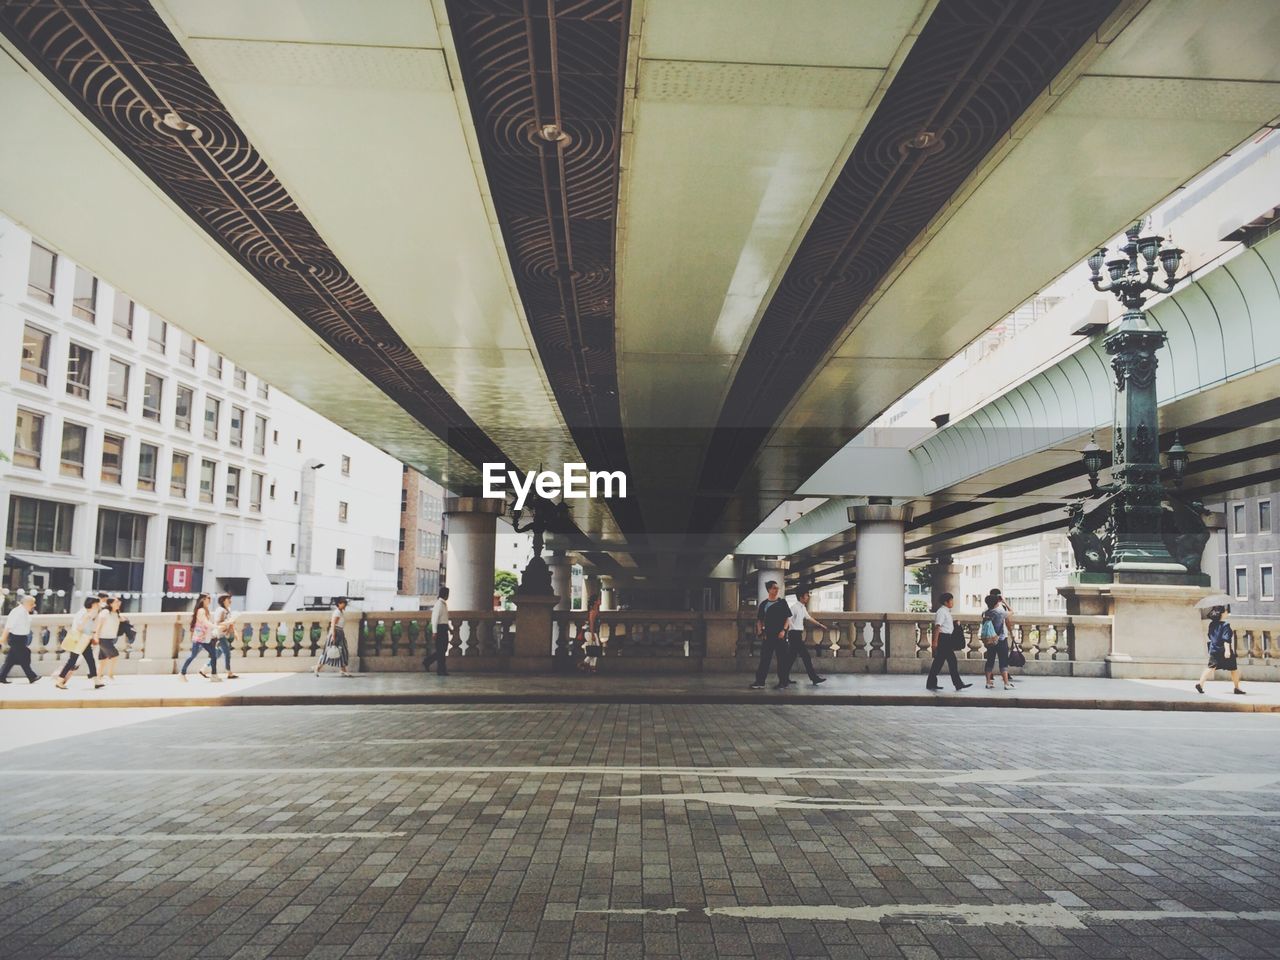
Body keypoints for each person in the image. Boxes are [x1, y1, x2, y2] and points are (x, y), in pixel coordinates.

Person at [750, 581, 792, 690]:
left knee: (782, 660)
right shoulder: (764, 604)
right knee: (764, 659)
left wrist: (783, 630)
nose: (776, 590)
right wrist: (760, 632)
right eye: (774, 588)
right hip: (768, 635)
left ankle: (783, 682)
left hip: (780, 635)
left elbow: (788, 618)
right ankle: (760, 681)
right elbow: (759, 620)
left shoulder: (782, 603)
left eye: (777, 588)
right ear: (769, 590)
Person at [926, 592, 971, 692]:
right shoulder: (942, 612)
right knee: (951, 661)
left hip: (946, 639)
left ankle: (931, 683)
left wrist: (954, 623)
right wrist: (935, 642)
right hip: (943, 639)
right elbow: (938, 627)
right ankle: (958, 684)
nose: (952, 602)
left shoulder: (946, 611)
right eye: (951, 600)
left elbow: (945, 625)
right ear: (946, 602)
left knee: (938, 663)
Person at [56, 596, 103, 690]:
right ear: (92, 604)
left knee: (90, 660)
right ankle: (60, 680)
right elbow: (79, 627)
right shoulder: (85, 614)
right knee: (72, 661)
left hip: (83, 640)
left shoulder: (86, 612)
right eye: (97, 603)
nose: (98, 605)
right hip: (80, 640)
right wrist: (90, 632)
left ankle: (96, 681)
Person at [1197, 606, 1245, 695]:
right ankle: (1237, 688)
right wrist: (1227, 651)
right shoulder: (1225, 625)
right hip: (1223, 650)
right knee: (1234, 669)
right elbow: (1226, 639)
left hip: (1214, 649)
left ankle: (1200, 684)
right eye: (1226, 611)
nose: (1227, 612)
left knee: (1210, 667)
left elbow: (1209, 636)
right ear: (1221, 614)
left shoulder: (1212, 624)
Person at [784, 588, 827, 686]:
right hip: (794, 634)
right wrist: (785, 630)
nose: (808, 597)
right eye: (806, 595)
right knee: (806, 657)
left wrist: (820, 625)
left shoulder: (802, 607)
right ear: (801, 597)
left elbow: (808, 617)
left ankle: (784, 678)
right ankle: (814, 678)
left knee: (791, 657)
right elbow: (788, 619)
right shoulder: (794, 607)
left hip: (797, 634)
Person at [0, 594, 41, 684]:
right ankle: (32, 676)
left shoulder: (24, 612)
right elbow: (8, 626)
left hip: (21, 638)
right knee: (23, 658)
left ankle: (1, 676)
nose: (34, 605)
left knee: (10, 660)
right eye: (32, 603)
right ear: (26, 603)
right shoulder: (17, 612)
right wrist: (3, 638)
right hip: (16, 638)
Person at [179, 594, 220, 682]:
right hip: (199, 638)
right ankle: (182, 673)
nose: (210, 600)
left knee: (213, 655)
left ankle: (214, 675)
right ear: (203, 600)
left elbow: (207, 624)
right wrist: (216, 627)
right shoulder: (201, 610)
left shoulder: (206, 610)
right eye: (208, 598)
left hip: (205, 638)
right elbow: (205, 622)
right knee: (193, 655)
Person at [981, 594, 1013, 689]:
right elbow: (1012, 611)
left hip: (990, 640)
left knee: (990, 660)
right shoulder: (1000, 612)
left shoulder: (985, 613)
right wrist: (1004, 602)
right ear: (997, 603)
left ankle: (988, 682)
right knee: (1003, 661)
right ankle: (1006, 684)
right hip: (1001, 639)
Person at [315, 597, 352, 677]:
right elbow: (333, 624)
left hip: (340, 633)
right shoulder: (337, 612)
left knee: (342, 651)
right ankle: (317, 668)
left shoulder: (340, 612)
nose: (345, 604)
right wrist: (333, 636)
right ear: (339, 604)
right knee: (329, 652)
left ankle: (343, 670)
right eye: (343, 603)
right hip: (336, 633)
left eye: (345, 603)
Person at [96, 596, 123, 683]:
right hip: (103, 638)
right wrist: (96, 636)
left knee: (103, 659)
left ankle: (98, 676)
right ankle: (110, 675)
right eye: (116, 602)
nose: (118, 603)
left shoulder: (116, 613)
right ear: (110, 604)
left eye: (119, 602)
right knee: (115, 655)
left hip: (110, 638)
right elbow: (99, 625)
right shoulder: (105, 612)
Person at [423, 587, 450, 676]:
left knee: (442, 650)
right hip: (440, 629)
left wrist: (449, 628)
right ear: (445, 594)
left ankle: (428, 662)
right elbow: (434, 619)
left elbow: (444, 618)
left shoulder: (443, 604)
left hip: (444, 628)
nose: (448, 596)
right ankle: (441, 670)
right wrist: (435, 631)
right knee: (441, 650)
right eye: (447, 594)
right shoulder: (439, 604)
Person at [213, 593, 239, 679]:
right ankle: (229, 672)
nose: (230, 601)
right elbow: (218, 623)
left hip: (222, 635)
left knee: (217, 655)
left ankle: (204, 669)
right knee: (227, 653)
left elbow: (230, 623)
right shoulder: (221, 610)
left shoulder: (227, 610)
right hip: (220, 635)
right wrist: (229, 622)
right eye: (228, 599)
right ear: (223, 601)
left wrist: (234, 631)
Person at [579, 594, 602, 674]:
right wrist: (592, 635)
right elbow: (591, 623)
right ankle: (584, 664)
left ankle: (592, 667)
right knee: (595, 650)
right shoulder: (593, 611)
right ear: (595, 602)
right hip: (590, 632)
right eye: (599, 599)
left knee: (594, 650)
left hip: (591, 632)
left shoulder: (595, 611)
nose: (600, 601)